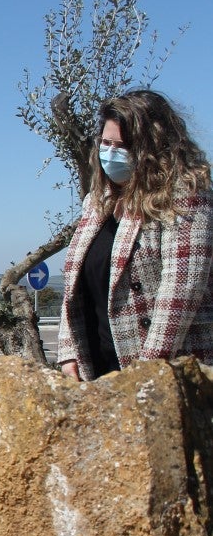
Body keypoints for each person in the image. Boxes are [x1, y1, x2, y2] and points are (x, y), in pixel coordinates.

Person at [58, 89, 213, 381]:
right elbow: (74, 282)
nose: (110, 153)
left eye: (122, 145)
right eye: (105, 143)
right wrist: (69, 352)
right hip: (99, 371)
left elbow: (180, 292)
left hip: (166, 376)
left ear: (152, 147)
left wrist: (144, 375)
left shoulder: (186, 195)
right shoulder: (97, 201)